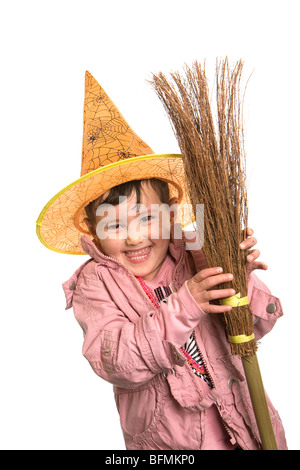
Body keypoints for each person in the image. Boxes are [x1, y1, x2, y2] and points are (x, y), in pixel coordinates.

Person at [37, 72, 287, 450]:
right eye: (115, 224)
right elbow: (117, 361)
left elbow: (252, 327)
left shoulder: (195, 250)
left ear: (171, 214)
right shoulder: (95, 284)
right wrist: (186, 303)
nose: (135, 236)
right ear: (92, 227)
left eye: (147, 218)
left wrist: (237, 276)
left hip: (250, 432)